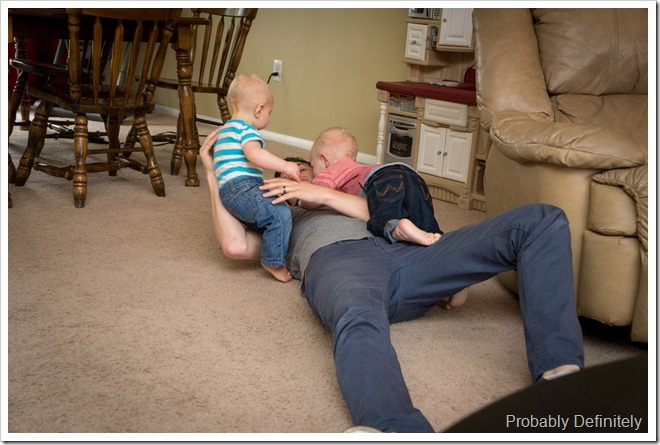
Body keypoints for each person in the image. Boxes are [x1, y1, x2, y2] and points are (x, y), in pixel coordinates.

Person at [199, 131, 584, 433]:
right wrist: (214, 175)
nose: (296, 179)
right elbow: (235, 245)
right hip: (342, 264)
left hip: (413, 253)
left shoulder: (342, 191)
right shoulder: (281, 221)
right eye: (286, 178)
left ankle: (561, 373)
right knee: (356, 315)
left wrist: (322, 192)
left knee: (541, 219)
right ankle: (393, 427)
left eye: (303, 172)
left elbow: (382, 213)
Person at [305, 127, 468, 309]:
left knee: (381, 215)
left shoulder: (331, 170)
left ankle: (398, 227)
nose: (313, 172)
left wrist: (301, 199)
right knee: (428, 229)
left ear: (325, 160)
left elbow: (314, 197)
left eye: (312, 165)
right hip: (413, 177)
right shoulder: (360, 166)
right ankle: (456, 271)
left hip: (382, 180)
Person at [213, 74, 300, 282]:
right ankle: (273, 262)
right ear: (259, 110)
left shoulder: (225, 130)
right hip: (243, 187)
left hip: (226, 191)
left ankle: (268, 239)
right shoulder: (246, 129)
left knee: (264, 214)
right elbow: (254, 155)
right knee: (280, 213)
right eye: (269, 112)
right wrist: (285, 165)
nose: (268, 116)